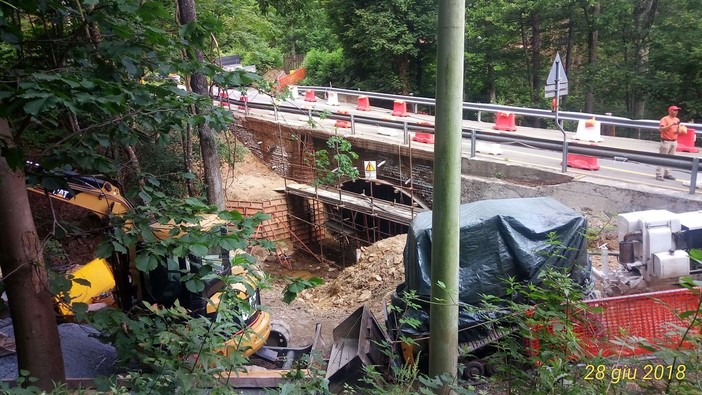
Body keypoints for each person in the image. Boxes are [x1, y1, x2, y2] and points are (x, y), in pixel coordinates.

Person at [656, 105, 686, 181]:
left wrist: (681, 130)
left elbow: (677, 130)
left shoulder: (677, 119)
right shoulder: (665, 119)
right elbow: (661, 129)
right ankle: (659, 175)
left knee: (671, 159)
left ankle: (667, 173)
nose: (676, 112)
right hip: (666, 141)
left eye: (677, 110)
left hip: (674, 141)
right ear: (670, 111)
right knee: (662, 158)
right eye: (674, 110)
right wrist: (671, 124)